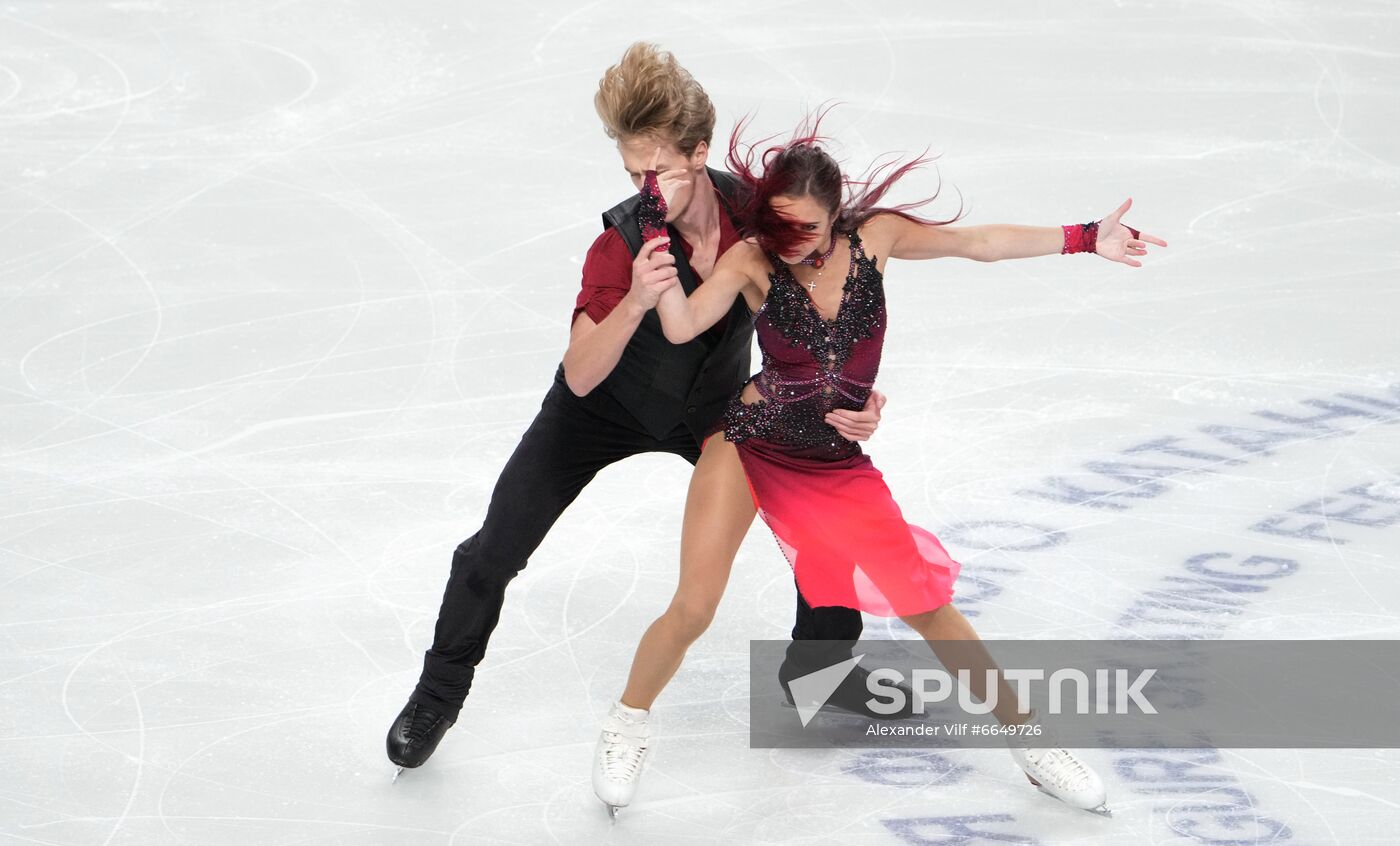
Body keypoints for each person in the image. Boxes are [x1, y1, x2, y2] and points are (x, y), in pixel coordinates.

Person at [590, 112, 1167, 818]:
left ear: (837, 215)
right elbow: (682, 326)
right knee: (694, 607)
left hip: (830, 460)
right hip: (748, 444)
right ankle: (627, 724)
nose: (791, 240)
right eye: (779, 224)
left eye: (806, 227)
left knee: (927, 605)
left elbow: (978, 244)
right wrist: (653, 265)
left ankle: (1030, 741)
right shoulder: (752, 259)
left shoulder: (878, 237)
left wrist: (1082, 237)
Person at [385, 44, 897, 778]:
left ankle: (817, 671)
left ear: (699, 152)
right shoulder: (619, 242)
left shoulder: (760, 215)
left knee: (822, 516)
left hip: (716, 411)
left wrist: (845, 387)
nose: (644, 188)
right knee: (491, 551)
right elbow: (580, 374)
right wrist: (633, 300)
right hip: (600, 409)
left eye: (658, 171)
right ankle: (438, 693)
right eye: (632, 174)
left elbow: (834, 280)